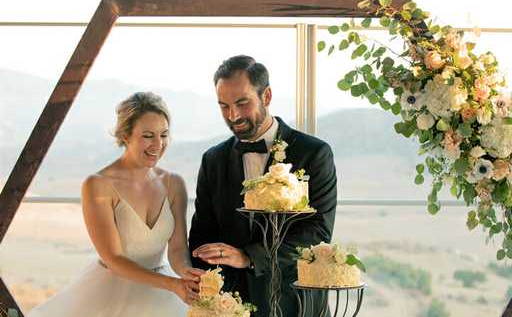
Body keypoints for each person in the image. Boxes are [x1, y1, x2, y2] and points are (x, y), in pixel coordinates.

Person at [29, 92, 203, 317]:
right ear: (125, 135)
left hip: (161, 296)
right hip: (109, 293)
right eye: (148, 135)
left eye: (164, 134)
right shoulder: (98, 185)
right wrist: (171, 284)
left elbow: (178, 249)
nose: (158, 144)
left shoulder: (173, 183)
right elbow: (114, 258)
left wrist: (187, 274)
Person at [189, 55, 337, 317]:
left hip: (297, 301)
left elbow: (317, 231)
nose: (233, 115)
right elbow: (202, 236)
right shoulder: (213, 160)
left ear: (266, 96)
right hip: (233, 304)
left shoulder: (314, 153)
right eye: (224, 106)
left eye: (242, 103)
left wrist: (249, 256)